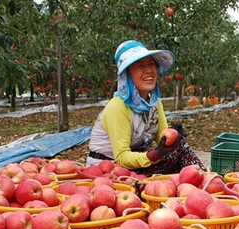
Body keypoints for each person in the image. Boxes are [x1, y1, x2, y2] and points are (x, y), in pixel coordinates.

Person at [87, 40, 206, 176]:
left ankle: (203, 179)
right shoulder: (118, 106)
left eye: (151, 64)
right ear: (127, 74)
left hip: (134, 166)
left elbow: (163, 136)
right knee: (179, 153)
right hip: (108, 170)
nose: (148, 70)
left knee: (180, 147)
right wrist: (153, 155)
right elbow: (122, 157)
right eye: (140, 66)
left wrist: (173, 136)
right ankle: (205, 181)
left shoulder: (154, 103)